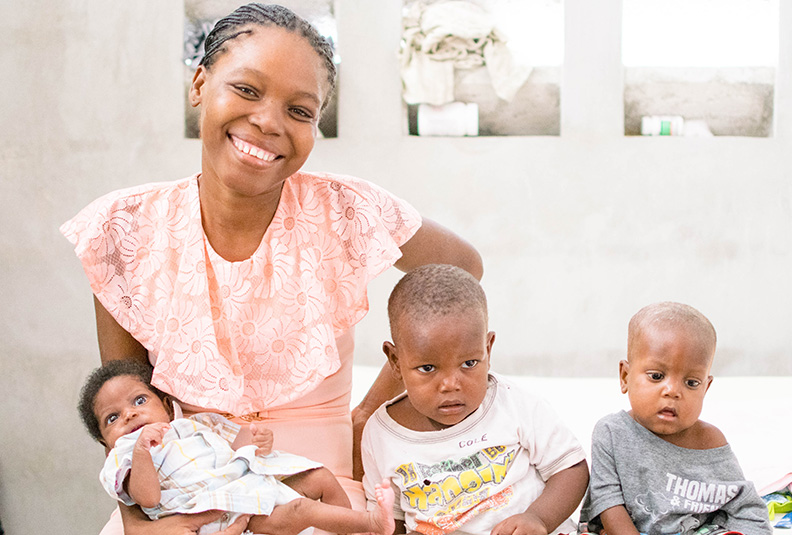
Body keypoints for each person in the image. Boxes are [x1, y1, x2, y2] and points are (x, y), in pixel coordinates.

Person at [60, 3, 482, 534]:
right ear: (199, 84)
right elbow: (125, 420)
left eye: (300, 111)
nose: (268, 122)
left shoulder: (344, 211)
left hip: (322, 498)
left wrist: (372, 412)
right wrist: (137, 524)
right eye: (247, 90)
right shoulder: (124, 231)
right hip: (190, 508)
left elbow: (463, 267)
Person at [361, 264, 589, 535]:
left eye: (469, 363)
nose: (450, 384)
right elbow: (388, 519)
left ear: (488, 349)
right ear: (395, 360)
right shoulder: (380, 436)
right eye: (428, 368)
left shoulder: (513, 403)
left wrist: (538, 518)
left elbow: (571, 468)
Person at [78, 360, 396, 535]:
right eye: (112, 418)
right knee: (302, 509)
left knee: (321, 478)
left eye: (139, 400)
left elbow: (230, 448)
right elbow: (147, 497)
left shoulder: (187, 427)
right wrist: (141, 453)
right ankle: (370, 523)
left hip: (244, 483)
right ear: (106, 442)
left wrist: (260, 444)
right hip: (216, 512)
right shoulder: (124, 458)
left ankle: (345, 528)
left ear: (165, 405)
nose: (130, 414)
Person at [579, 302, 772, 535]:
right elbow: (607, 502)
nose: (672, 391)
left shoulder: (709, 441)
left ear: (706, 388)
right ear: (625, 376)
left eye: (691, 383)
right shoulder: (612, 432)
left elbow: (745, 507)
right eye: (657, 376)